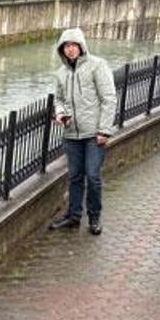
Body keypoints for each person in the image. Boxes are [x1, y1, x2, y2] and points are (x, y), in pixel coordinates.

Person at [48, 27, 117, 236]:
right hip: (71, 134)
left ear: (81, 46)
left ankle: (94, 216)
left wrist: (104, 130)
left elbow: (109, 98)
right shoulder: (61, 74)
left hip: (93, 133)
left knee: (93, 175)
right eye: (66, 46)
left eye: (73, 45)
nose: (70, 50)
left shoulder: (97, 66)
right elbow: (58, 99)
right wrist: (60, 114)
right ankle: (73, 216)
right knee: (75, 176)